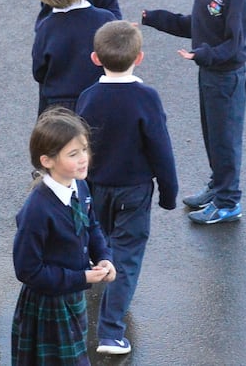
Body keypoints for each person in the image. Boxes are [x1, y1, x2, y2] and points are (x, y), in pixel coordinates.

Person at [76, 21, 179, 355]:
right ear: (140, 57)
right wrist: (168, 191)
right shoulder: (146, 97)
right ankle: (110, 331)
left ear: (95, 58)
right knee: (127, 256)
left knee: (101, 244)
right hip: (134, 190)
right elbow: (160, 147)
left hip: (97, 186)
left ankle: (94, 289)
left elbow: (81, 148)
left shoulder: (88, 97)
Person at [142, 0, 246, 225]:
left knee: (225, 140)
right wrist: (155, 18)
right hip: (209, 73)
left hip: (225, 78)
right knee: (211, 135)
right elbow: (197, 24)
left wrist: (202, 54)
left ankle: (229, 201)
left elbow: (235, 46)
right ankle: (219, 187)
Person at [12, 107, 115, 365]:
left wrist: (103, 257)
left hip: (71, 297)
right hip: (48, 305)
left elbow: (91, 226)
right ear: (47, 160)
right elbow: (27, 270)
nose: (84, 159)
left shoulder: (79, 184)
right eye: (73, 154)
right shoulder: (37, 210)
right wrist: (80, 277)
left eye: (84, 150)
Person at [33, 0, 116, 115]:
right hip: (98, 99)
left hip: (58, 106)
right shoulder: (105, 19)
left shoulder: (46, 28)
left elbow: (39, 70)